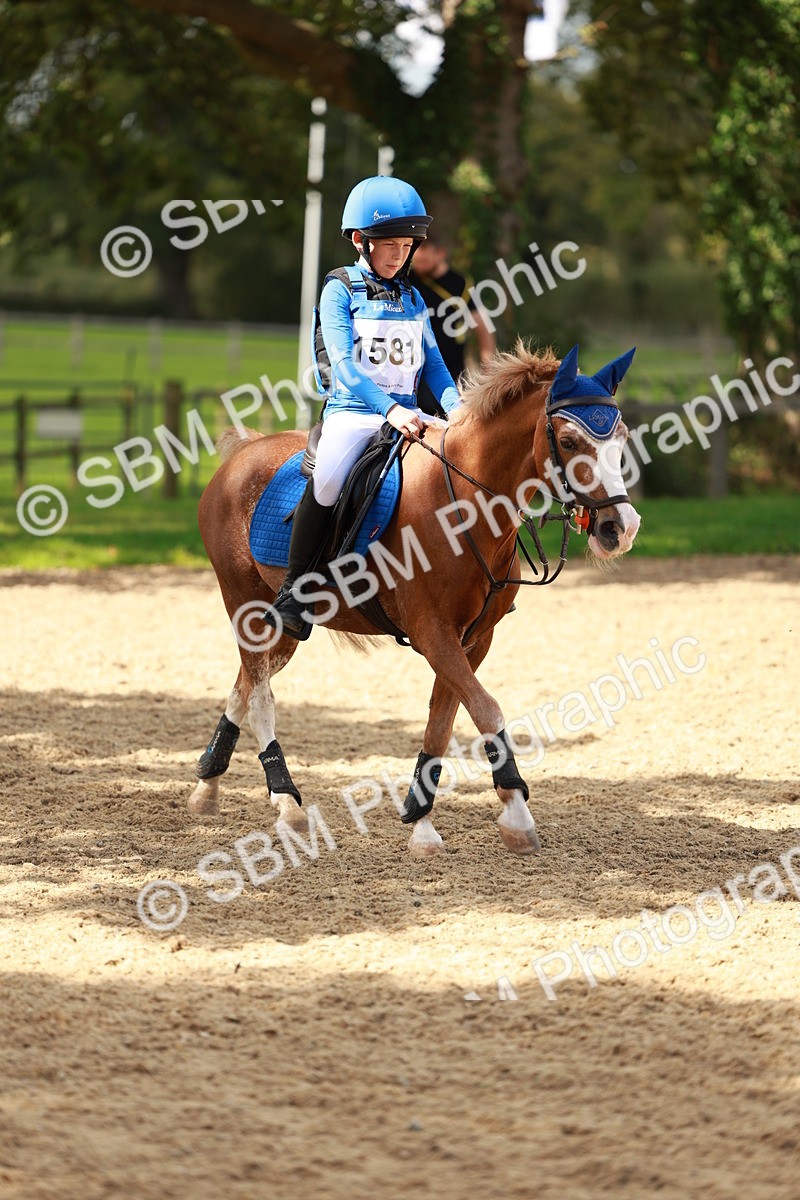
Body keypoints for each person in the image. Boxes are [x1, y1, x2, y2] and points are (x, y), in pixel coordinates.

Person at [265, 175, 461, 642]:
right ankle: (295, 589)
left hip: (412, 413)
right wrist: (389, 410)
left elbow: (434, 364)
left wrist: (460, 411)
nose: (399, 255)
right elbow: (345, 366)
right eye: (388, 245)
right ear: (359, 240)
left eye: (406, 245)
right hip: (354, 412)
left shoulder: (413, 297)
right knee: (329, 476)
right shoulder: (340, 288)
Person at [410, 232, 496, 414]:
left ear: (440, 253)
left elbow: (482, 327)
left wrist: (489, 370)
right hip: (418, 369)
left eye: (425, 250)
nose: (419, 257)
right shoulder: (408, 282)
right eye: (416, 252)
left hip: (454, 370)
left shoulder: (460, 283)